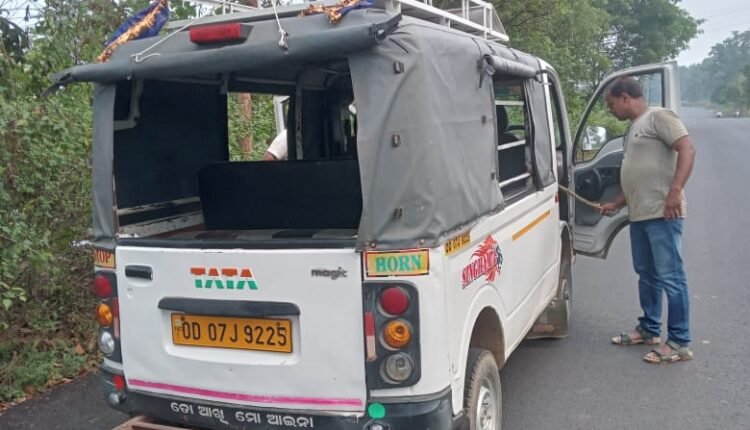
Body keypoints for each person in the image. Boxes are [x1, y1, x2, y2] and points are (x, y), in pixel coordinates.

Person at [600, 77, 697, 364]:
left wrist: (675, 192)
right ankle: (649, 329)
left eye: (611, 104)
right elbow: (640, 175)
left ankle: (679, 342)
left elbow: (688, 149)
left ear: (625, 97)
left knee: (671, 277)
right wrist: (616, 203)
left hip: (663, 213)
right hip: (640, 214)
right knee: (647, 274)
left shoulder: (658, 117)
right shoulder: (634, 127)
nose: (610, 110)